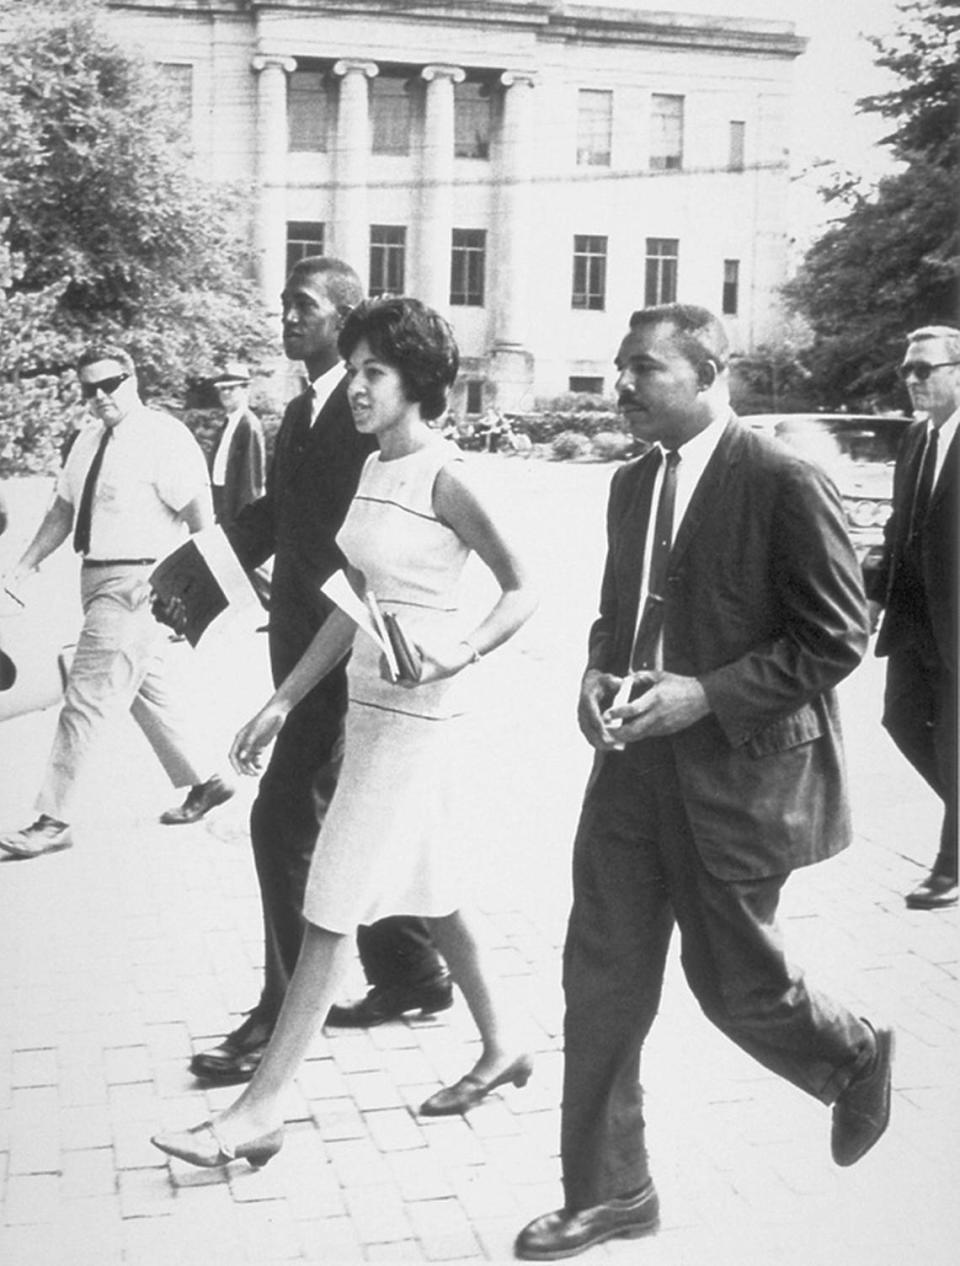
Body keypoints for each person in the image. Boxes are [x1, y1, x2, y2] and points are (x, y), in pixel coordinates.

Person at [515, 304, 893, 1261]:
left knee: (734, 986)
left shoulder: (781, 479)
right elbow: (617, 615)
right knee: (599, 980)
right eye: (620, 367)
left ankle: (851, 1055)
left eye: (645, 368)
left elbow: (836, 637)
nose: (624, 384)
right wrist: (596, 678)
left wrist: (707, 696)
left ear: (710, 372)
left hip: (737, 783)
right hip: (629, 777)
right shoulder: (633, 484)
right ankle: (611, 1194)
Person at [151, 296, 538, 1167]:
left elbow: (523, 587)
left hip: (420, 718)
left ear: (420, 382)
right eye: (354, 370)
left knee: (329, 904)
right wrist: (284, 698)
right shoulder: (373, 469)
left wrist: (457, 653)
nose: (357, 387)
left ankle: (262, 1108)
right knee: (435, 890)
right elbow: (351, 601)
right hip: (365, 708)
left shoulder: (448, 475)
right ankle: (506, 1041)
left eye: (375, 373)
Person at [183, 259, 455, 1088]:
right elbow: (284, 517)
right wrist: (202, 570)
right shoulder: (303, 408)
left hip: (351, 652)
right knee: (347, 821)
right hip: (304, 643)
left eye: (304, 307)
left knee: (284, 824)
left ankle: (281, 1011)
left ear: (344, 318)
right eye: (284, 307)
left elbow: (362, 543)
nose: (286, 318)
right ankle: (412, 971)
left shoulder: (361, 411)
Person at [0, 345, 234, 861]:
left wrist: (192, 590)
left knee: (85, 697)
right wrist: (24, 563)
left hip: (138, 581)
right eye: (90, 388)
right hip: (96, 577)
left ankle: (53, 819)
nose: (101, 396)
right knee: (142, 686)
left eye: (111, 383)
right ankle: (209, 780)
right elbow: (64, 507)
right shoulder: (87, 440)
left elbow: (200, 512)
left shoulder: (162, 436)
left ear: (134, 379)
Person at [866, 325, 958, 910]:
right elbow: (899, 530)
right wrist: (872, 599)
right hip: (914, 622)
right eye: (906, 370)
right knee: (900, 721)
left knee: (954, 745)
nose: (912, 380)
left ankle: (950, 867)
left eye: (924, 368)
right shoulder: (917, 440)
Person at [209, 361, 266, 533]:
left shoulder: (247, 425)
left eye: (231, 388)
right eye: (222, 389)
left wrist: (244, 522)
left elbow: (251, 479)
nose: (225, 393)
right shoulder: (228, 423)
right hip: (221, 500)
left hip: (236, 506)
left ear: (245, 390)